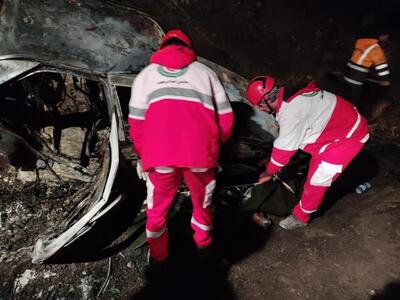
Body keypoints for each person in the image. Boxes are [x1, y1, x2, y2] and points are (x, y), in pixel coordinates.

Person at [128, 29, 234, 271]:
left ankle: (159, 258)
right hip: (200, 156)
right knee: (202, 204)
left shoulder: (145, 76)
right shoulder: (206, 73)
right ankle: (204, 247)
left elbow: (135, 123)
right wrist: (214, 146)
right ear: (188, 47)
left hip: (159, 157)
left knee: (157, 209)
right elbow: (226, 119)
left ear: (162, 47)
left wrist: (143, 153)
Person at [246, 76, 369, 230]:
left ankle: (301, 217)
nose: (260, 109)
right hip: (340, 124)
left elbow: (283, 152)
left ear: (267, 99)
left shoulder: (291, 111)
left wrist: (268, 173)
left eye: (260, 105)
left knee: (317, 180)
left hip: (348, 136)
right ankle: (355, 180)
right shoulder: (289, 94)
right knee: (319, 166)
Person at [344, 28, 390, 109]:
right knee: (353, 105)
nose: (387, 39)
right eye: (386, 36)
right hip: (356, 79)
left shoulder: (360, 42)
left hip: (347, 75)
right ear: (382, 36)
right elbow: (383, 70)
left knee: (344, 100)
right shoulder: (375, 48)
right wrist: (385, 84)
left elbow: (360, 59)